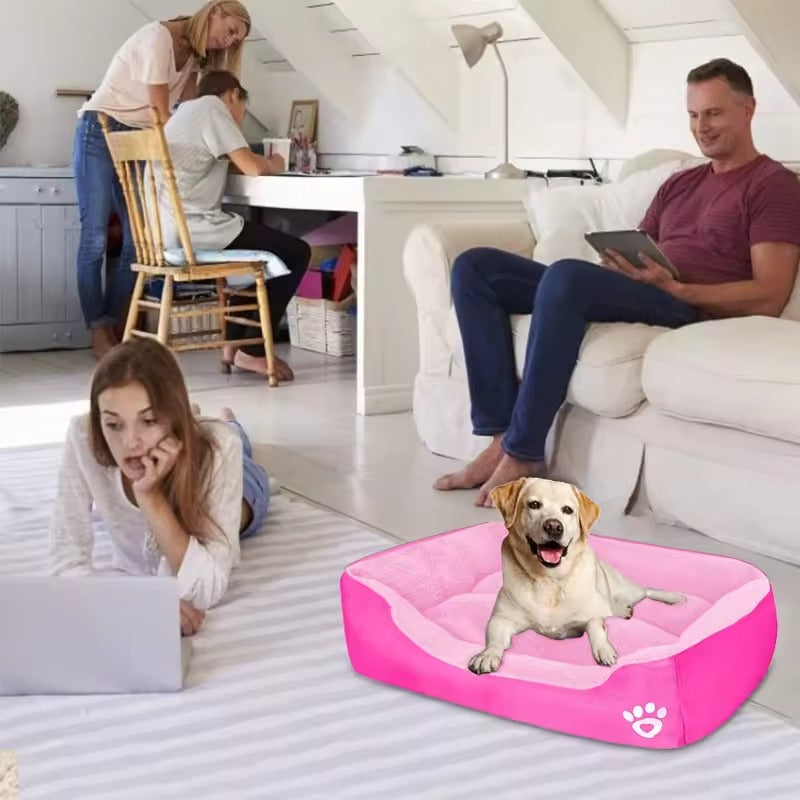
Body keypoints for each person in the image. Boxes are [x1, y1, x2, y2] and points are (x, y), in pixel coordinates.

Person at [435, 57, 800, 508]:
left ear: (748, 110)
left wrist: (680, 289)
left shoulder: (773, 185)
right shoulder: (679, 184)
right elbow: (642, 246)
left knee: (567, 277)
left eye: (713, 113)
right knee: (475, 268)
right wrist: (617, 267)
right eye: (692, 115)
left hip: (689, 304)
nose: (701, 127)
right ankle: (498, 436)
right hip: (646, 288)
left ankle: (524, 451)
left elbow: (770, 292)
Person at [48, 338, 270, 636]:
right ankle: (198, 418)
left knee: (234, 443)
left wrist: (150, 497)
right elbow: (66, 563)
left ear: (172, 419)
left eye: (149, 420)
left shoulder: (219, 451)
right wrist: (134, 604)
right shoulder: (82, 435)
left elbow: (207, 589)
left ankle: (228, 423)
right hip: (191, 434)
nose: (130, 443)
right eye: (114, 424)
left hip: (246, 488)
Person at [73, 1, 251, 360]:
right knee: (93, 236)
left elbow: (181, 122)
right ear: (215, 10)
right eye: (230, 30)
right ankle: (99, 329)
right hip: (99, 130)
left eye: (235, 40)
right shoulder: (159, 37)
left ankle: (120, 329)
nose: (228, 42)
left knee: (141, 243)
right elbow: (162, 115)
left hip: (142, 139)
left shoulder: (195, 59)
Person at [159, 69, 311, 382]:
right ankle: (251, 352)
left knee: (256, 255)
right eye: (242, 111)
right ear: (233, 96)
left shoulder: (185, 111)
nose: (239, 121)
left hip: (165, 231)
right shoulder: (213, 108)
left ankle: (234, 345)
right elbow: (252, 167)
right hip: (193, 229)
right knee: (296, 252)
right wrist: (278, 163)